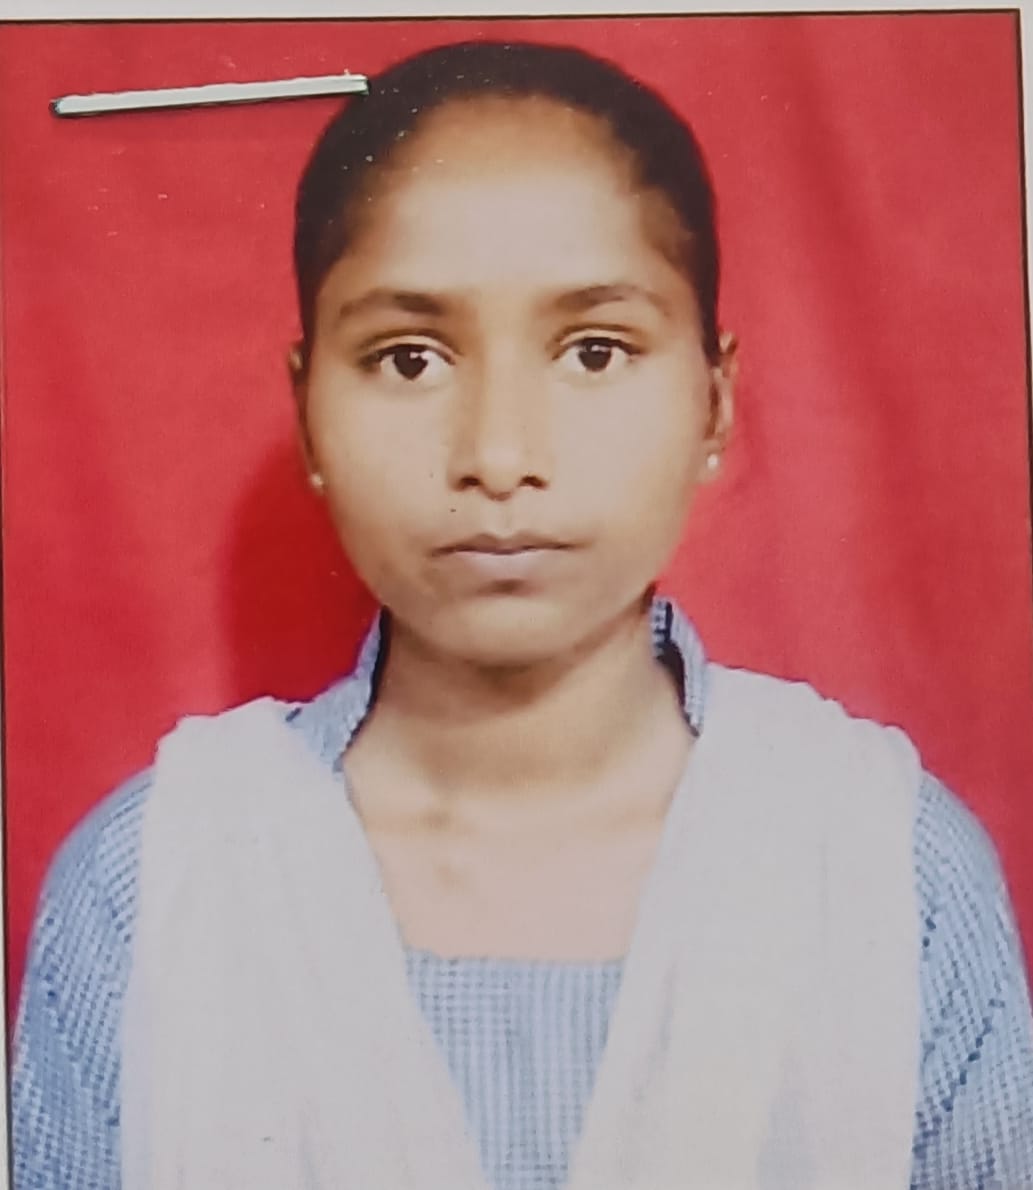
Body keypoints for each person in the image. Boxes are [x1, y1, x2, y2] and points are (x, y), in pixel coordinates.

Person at [10, 38, 1033, 1190]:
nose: (499, 454)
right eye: (408, 359)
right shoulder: (155, 881)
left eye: (594, 350)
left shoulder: (886, 866)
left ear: (713, 400)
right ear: (306, 414)